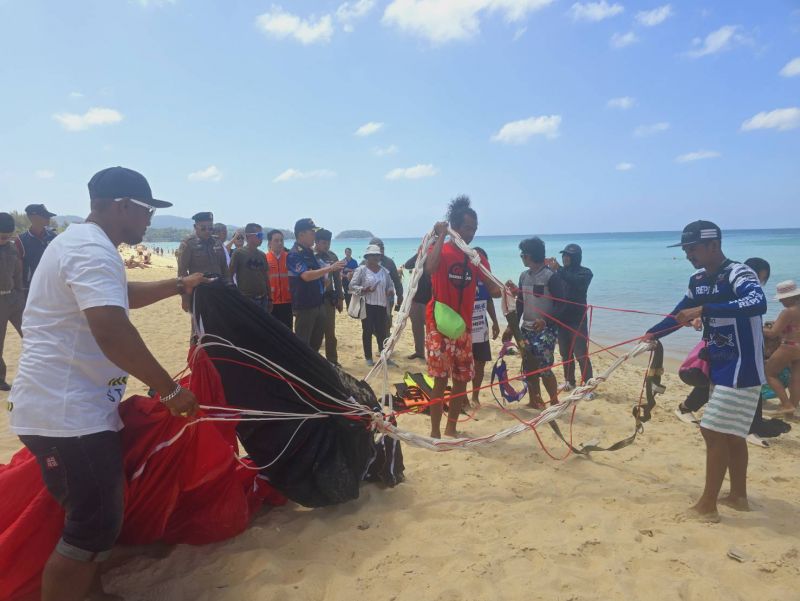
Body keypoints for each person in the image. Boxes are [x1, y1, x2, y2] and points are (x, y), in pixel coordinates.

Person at [8, 166, 206, 601]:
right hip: (66, 415)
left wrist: (178, 284)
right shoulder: (91, 250)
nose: (150, 220)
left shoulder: (88, 245)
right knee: (94, 525)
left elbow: (121, 294)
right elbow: (112, 329)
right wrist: (170, 391)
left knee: (87, 518)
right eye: (146, 210)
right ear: (121, 206)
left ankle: (90, 594)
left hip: (71, 408)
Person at [645, 220, 766, 521]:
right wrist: (651, 335)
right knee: (732, 435)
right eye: (685, 249)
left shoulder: (739, 273)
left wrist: (704, 310)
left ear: (714, 245)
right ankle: (738, 497)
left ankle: (707, 507)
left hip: (743, 366)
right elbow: (678, 315)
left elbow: (757, 301)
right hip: (719, 365)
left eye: (692, 248)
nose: (688, 254)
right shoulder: (698, 280)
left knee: (712, 429)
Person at [425, 196, 501, 438]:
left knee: (460, 380)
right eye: (468, 228)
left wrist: (507, 288)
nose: (472, 234)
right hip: (439, 324)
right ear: (455, 227)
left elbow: (494, 290)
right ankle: (435, 432)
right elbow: (430, 268)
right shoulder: (441, 249)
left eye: (475, 229)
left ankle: (451, 429)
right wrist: (439, 237)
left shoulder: (476, 257)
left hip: (464, 327)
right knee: (439, 380)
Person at [505, 237, 567, 409]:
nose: (521, 258)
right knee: (529, 365)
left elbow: (561, 304)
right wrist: (512, 326)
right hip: (526, 328)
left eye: (523, 255)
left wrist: (545, 321)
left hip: (545, 330)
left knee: (544, 367)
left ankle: (554, 402)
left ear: (530, 256)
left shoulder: (551, 277)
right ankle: (535, 400)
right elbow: (520, 303)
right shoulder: (524, 276)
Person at [287, 218, 344, 351]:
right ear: (301, 234)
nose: (314, 235)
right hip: (305, 306)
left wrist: (322, 281)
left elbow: (315, 273)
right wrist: (329, 268)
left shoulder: (309, 252)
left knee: (316, 345)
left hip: (319, 303)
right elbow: (306, 275)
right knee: (302, 346)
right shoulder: (294, 254)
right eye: (312, 232)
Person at [546, 243, 593, 392]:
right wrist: (546, 267)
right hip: (562, 318)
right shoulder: (558, 273)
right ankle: (569, 382)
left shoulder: (585, 273)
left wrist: (558, 269)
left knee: (581, 354)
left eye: (568, 256)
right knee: (565, 354)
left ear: (576, 258)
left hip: (577, 320)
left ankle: (587, 386)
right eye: (564, 255)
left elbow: (576, 282)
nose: (565, 258)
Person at [349, 244, 396, 367]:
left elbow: (390, 285)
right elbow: (351, 286)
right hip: (367, 305)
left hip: (382, 306)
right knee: (367, 331)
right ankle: (368, 357)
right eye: (373, 255)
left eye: (378, 255)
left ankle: (383, 356)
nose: (376, 257)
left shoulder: (384, 271)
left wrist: (390, 291)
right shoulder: (361, 270)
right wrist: (365, 289)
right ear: (367, 257)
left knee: (382, 332)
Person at [177, 211, 228, 312]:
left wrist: (229, 286)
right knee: (199, 324)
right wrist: (185, 297)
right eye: (203, 228)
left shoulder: (217, 242)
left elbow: (224, 267)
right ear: (195, 227)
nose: (207, 231)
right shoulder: (188, 244)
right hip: (199, 292)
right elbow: (182, 272)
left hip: (219, 290)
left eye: (210, 228)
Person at [762, 280, 800, 416]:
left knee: (769, 373)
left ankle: (786, 404)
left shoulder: (788, 312)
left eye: (782, 298)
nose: (780, 302)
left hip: (789, 346)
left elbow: (773, 333)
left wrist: (758, 328)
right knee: (796, 378)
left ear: (790, 297)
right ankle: (792, 409)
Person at [470, 247, 500, 406]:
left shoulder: (485, 280)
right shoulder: (464, 277)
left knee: (480, 362)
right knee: (463, 364)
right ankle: (462, 397)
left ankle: (475, 396)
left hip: (481, 327)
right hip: (464, 328)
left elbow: (489, 300)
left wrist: (495, 321)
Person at [0, 212, 24, 391]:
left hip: (14, 299)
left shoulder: (11, 247)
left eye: (8, 236)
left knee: (33, 334)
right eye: (2, 236)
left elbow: (17, 271)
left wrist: (19, 293)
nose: (5, 239)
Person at [315, 228, 344, 365]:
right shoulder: (310, 256)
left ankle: (332, 361)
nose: (326, 246)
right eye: (324, 242)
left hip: (328, 299)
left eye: (328, 243)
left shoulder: (332, 257)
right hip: (313, 299)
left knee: (330, 332)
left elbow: (338, 280)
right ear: (316, 242)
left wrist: (340, 298)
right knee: (314, 332)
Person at [229, 223, 271, 313]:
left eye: (262, 235)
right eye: (259, 235)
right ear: (248, 236)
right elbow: (230, 275)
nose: (262, 238)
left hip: (263, 298)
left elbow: (266, 277)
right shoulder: (238, 253)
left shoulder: (262, 255)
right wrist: (236, 295)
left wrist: (270, 298)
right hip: (247, 299)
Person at [365, 237, 403, 328]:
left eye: (382, 248)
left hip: (387, 299)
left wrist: (400, 295)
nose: (381, 250)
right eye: (378, 248)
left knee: (385, 322)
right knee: (370, 325)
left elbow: (396, 281)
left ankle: (385, 336)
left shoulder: (389, 262)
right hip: (369, 299)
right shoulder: (364, 263)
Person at [20, 203, 57, 292]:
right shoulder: (20, 240)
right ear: (33, 217)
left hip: (52, 286)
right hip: (30, 289)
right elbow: (18, 270)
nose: (48, 218)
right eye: (44, 215)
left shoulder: (54, 237)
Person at [404, 245, 432, 360]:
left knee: (431, 330)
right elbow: (407, 265)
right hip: (415, 300)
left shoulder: (435, 260)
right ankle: (419, 352)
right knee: (417, 328)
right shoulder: (419, 260)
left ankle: (431, 355)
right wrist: (419, 253)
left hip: (429, 302)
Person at [266, 229, 293, 330]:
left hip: (288, 302)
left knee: (288, 331)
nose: (280, 243)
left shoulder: (290, 258)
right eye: (276, 240)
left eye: (281, 240)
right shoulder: (264, 258)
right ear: (269, 243)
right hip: (271, 303)